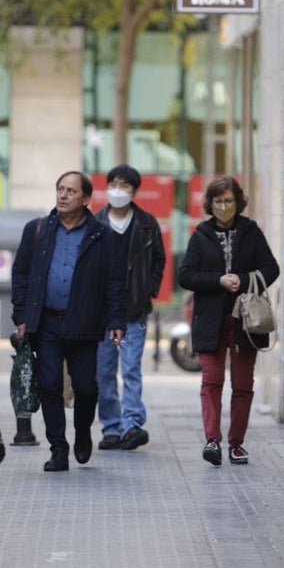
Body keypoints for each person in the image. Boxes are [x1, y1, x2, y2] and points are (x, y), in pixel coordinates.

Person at [11, 171, 126, 472]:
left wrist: (115, 319)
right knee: (49, 385)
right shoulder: (36, 230)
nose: (62, 195)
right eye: (60, 189)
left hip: (84, 323)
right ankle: (58, 449)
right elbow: (20, 274)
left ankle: (84, 431)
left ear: (86, 199)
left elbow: (114, 282)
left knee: (87, 387)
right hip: (46, 323)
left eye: (70, 191)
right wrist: (21, 316)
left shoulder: (103, 237)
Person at [178, 176, 280, 466]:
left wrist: (244, 280)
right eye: (219, 201)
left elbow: (271, 268)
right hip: (210, 320)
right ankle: (212, 440)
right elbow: (185, 275)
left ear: (238, 202)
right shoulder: (200, 235)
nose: (224, 206)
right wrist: (217, 281)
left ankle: (237, 443)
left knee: (243, 383)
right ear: (210, 204)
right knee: (211, 380)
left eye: (229, 200)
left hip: (245, 321)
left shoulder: (251, 231)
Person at [94, 164, 166, 451]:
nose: (118, 190)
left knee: (132, 369)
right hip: (101, 313)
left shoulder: (147, 224)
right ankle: (111, 427)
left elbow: (159, 262)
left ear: (134, 191)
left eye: (125, 185)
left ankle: (132, 424)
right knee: (104, 372)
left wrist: (149, 289)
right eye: (114, 184)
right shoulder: (95, 223)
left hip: (134, 310)